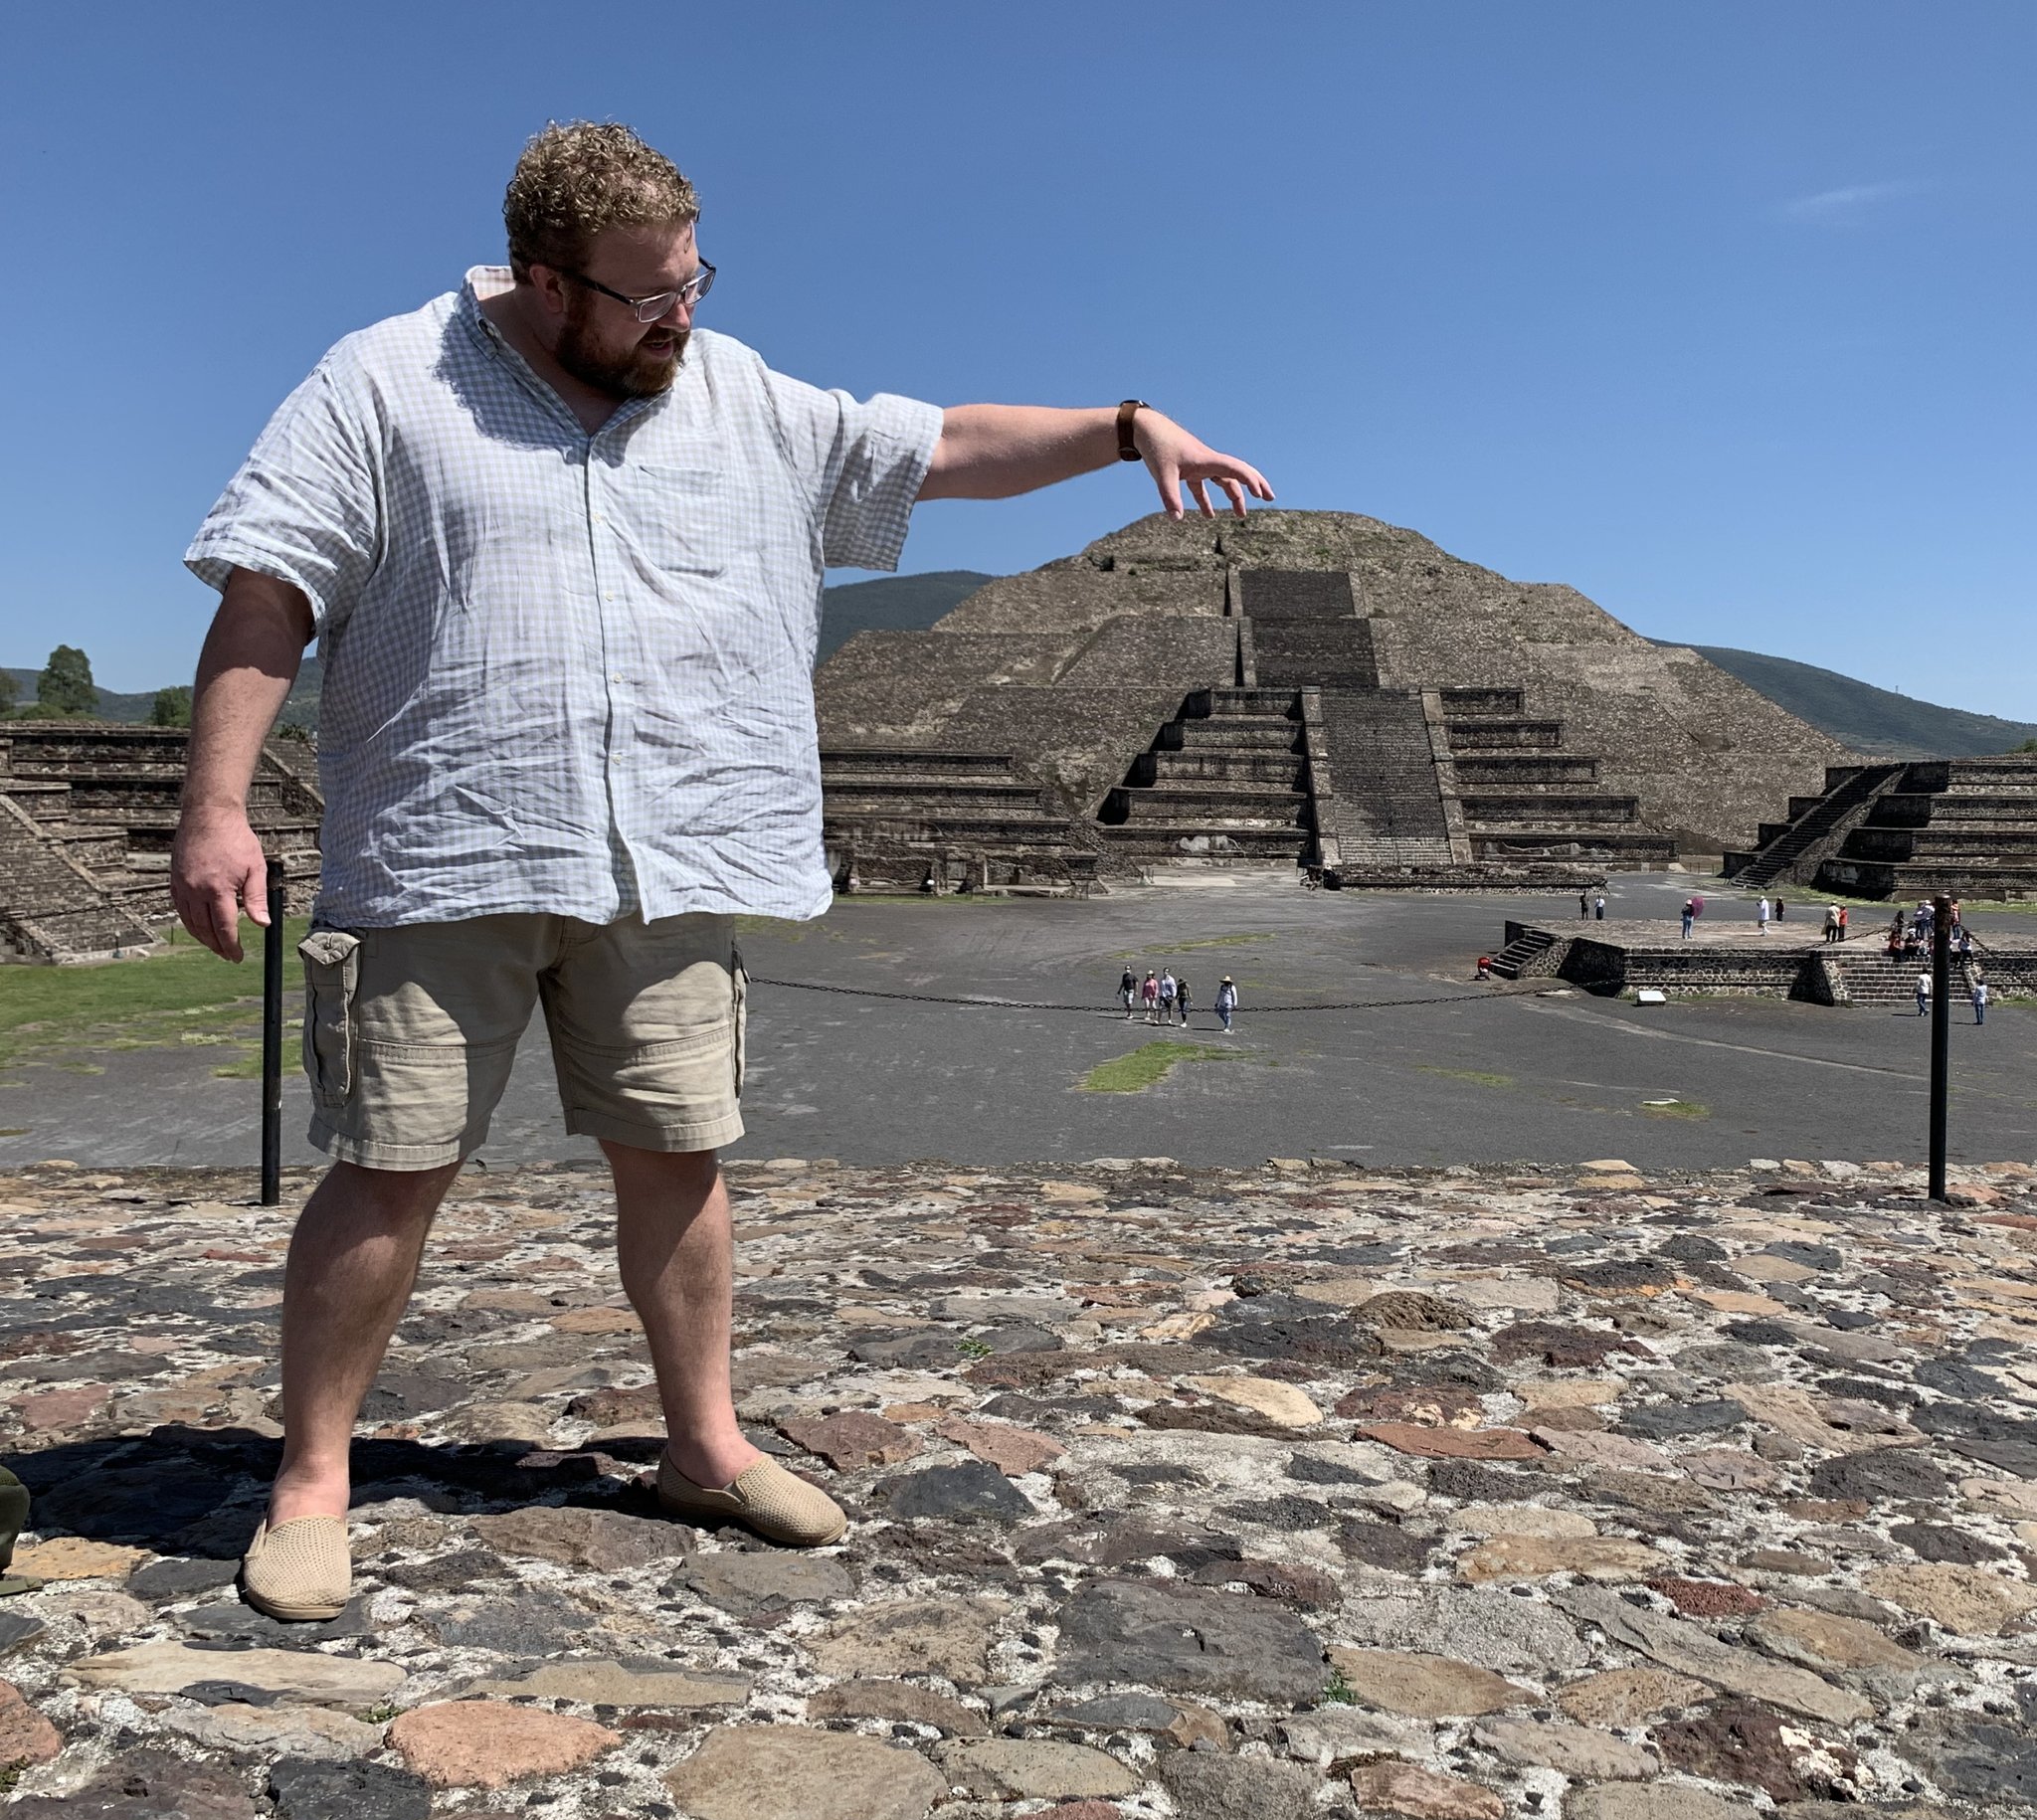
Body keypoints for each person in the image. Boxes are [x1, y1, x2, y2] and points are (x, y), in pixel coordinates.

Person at [167, 123, 1271, 1623]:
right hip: (446, 844)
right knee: (391, 1167)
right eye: (644, 297)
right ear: (547, 281)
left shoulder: (739, 391)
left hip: (674, 849)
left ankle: (702, 1442)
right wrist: (214, 807)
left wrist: (1127, 425)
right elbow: (269, 587)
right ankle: (310, 1479)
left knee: (681, 1158)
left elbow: (937, 449)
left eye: (693, 282)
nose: (678, 316)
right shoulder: (382, 382)